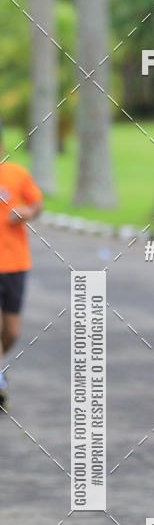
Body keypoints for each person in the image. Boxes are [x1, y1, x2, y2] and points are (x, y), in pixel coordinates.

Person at [0, 120, 43, 410]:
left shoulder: (15, 173)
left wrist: (26, 211)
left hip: (15, 263)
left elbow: (37, 204)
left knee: (12, 331)